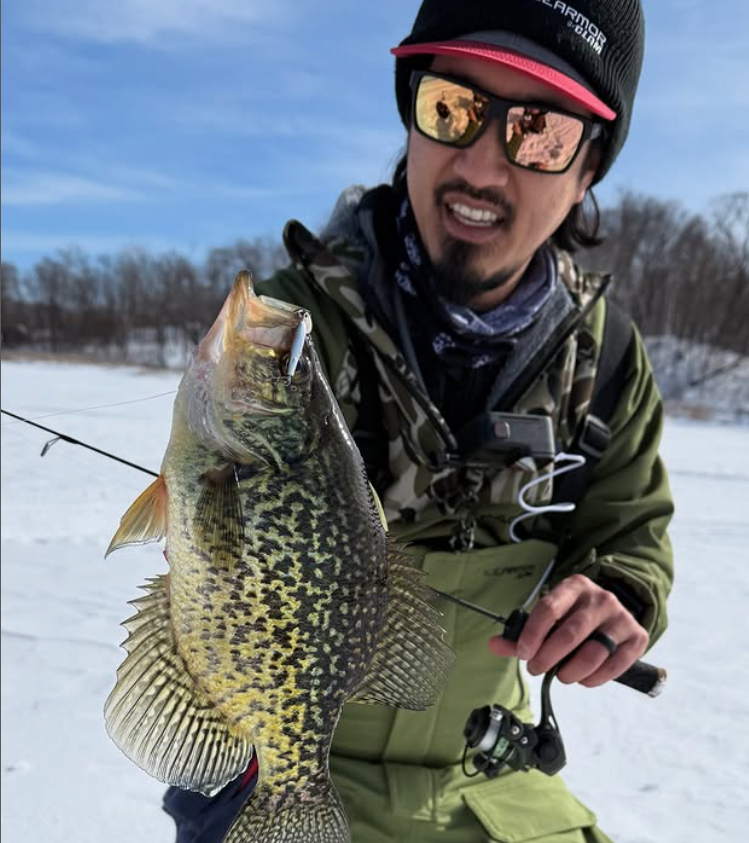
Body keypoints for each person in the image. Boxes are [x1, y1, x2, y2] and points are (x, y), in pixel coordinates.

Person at [163, 0, 674, 841]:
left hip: (489, 776)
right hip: (283, 763)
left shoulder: (609, 361)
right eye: (451, 107)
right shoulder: (291, 334)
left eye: (540, 133)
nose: (480, 164)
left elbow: (630, 528)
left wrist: (616, 591)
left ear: (588, 168)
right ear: (411, 115)